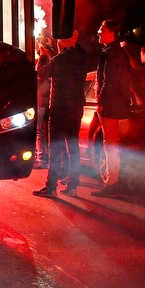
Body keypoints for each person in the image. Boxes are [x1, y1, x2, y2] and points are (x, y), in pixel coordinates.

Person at [34, 31, 88, 197]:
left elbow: (41, 73)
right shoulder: (82, 57)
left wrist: (43, 55)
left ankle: (51, 187)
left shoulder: (60, 60)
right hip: (76, 107)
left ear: (62, 42)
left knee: (56, 148)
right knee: (73, 148)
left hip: (61, 108)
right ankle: (73, 186)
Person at [91, 20, 133, 198]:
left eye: (102, 30)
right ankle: (119, 182)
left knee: (111, 147)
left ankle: (112, 183)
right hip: (121, 106)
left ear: (111, 33)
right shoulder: (120, 52)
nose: (99, 32)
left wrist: (101, 100)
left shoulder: (110, 53)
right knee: (117, 146)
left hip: (111, 107)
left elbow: (109, 79)